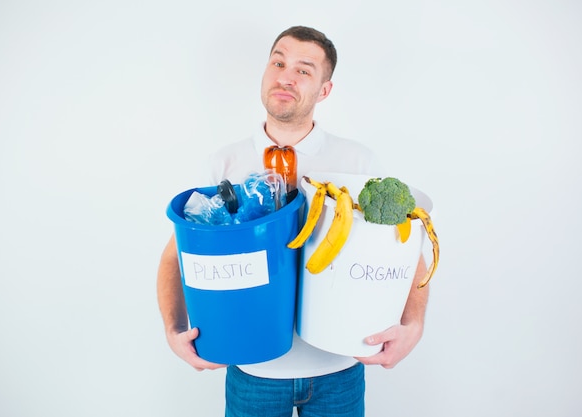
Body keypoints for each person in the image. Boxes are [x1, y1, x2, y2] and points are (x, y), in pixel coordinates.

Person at [157, 25, 430, 417]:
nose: (286, 76)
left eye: (304, 70)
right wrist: (174, 329)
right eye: (278, 62)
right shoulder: (223, 165)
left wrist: (413, 326)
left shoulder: (357, 164)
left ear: (324, 90)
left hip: (339, 368)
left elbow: (405, 252)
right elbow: (175, 256)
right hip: (253, 372)